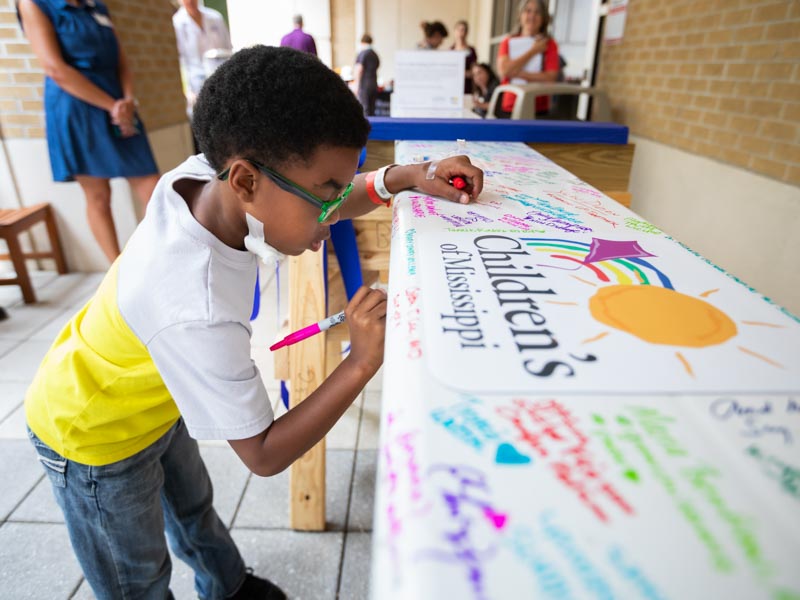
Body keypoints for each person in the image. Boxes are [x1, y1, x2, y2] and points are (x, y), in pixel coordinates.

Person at [24, 45, 483, 600]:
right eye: (326, 192)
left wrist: (408, 176)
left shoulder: (207, 177)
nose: (336, 208)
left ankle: (228, 587)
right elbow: (263, 453)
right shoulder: (195, 303)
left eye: (343, 185)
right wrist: (360, 362)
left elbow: (300, 192)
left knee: (194, 511)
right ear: (243, 181)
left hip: (152, 394)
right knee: (137, 577)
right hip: (91, 433)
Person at [17, 0, 160, 264]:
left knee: (153, 186)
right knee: (97, 195)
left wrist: (128, 100)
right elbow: (54, 68)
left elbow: (122, 61)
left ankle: (154, 258)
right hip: (77, 107)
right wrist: (112, 107)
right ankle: (116, 272)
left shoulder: (96, 6)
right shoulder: (34, 4)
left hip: (120, 104)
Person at [495, 0, 560, 118]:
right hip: (511, 105)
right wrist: (533, 51)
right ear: (520, 15)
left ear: (543, 18)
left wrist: (516, 73)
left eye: (537, 12)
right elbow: (504, 71)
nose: (532, 16)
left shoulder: (549, 44)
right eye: (528, 11)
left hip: (538, 106)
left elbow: (550, 77)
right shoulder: (508, 41)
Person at [173, 0, 233, 117]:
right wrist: (187, 90)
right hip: (196, 82)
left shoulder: (215, 17)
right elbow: (181, 59)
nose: (190, 1)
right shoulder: (177, 23)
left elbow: (228, 48)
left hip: (221, 75)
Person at [353, 33, 380, 116]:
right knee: (372, 109)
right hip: (374, 83)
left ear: (362, 42)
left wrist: (356, 84)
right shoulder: (375, 54)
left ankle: (366, 127)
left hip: (364, 85)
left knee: (365, 108)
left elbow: (359, 69)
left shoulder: (363, 53)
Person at [450, 19, 477, 93]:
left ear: (467, 32)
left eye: (463, 30)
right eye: (458, 30)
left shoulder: (471, 50)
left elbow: (474, 71)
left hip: (467, 88)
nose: (461, 32)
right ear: (454, 31)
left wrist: (464, 73)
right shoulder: (450, 51)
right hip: (453, 87)